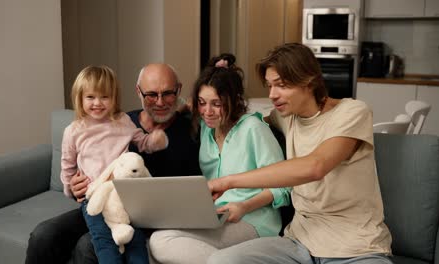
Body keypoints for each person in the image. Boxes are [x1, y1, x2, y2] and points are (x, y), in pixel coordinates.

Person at [206, 43, 393, 264]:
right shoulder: (286, 116)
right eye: (269, 85)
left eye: (281, 85)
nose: (272, 95)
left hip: (356, 247)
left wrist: (227, 182)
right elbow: (245, 119)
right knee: (221, 261)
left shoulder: (352, 112)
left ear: (309, 80)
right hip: (298, 244)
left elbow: (315, 166)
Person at [25, 63, 201, 264]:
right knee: (43, 235)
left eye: (168, 93)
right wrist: (74, 186)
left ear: (178, 90)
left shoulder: (191, 130)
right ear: (139, 92)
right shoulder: (122, 121)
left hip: (145, 217)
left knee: (87, 246)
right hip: (100, 200)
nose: (160, 102)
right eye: (151, 94)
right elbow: (79, 164)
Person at [148, 54, 291, 264]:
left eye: (217, 103)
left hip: (254, 220)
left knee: (161, 241)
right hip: (217, 215)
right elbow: (185, 104)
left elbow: (284, 187)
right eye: (202, 103)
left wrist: (244, 206)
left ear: (234, 101)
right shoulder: (206, 129)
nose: (207, 111)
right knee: (155, 244)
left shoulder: (253, 129)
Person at [62, 65, 171, 264]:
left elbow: (143, 142)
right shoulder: (73, 130)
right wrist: (70, 187)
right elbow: (67, 166)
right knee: (104, 242)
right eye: (90, 97)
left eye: (105, 97)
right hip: (95, 198)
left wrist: (155, 141)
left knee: (135, 239)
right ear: (79, 98)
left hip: (125, 195)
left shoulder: (123, 121)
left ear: (114, 98)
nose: (98, 103)